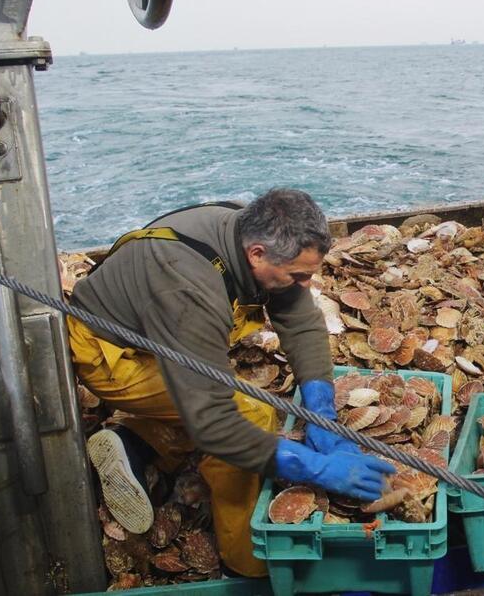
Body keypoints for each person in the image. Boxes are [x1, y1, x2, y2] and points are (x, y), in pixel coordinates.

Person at [68, 189, 394, 576]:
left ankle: (138, 442)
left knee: (224, 396)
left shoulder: (246, 227)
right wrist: (316, 469)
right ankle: (245, 560)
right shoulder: (190, 290)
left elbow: (300, 317)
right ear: (257, 254)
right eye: (298, 275)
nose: (306, 284)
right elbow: (215, 425)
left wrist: (319, 408)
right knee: (250, 412)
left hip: (158, 329)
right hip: (112, 354)